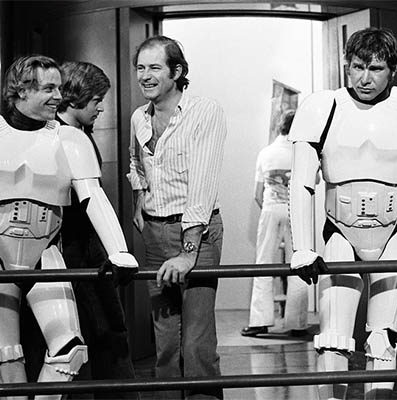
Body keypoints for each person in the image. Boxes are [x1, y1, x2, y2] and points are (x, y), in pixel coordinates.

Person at [0, 54, 138, 400]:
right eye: (49, 88)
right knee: (4, 352)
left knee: (70, 348)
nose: (59, 96)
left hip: (46, 250)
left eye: (59, 87)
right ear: (21, 91)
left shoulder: (70, 140)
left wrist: (119, 251)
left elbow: (94, 197)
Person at [287, 27, 397, 400]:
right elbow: (301, 181)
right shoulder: (323, 107)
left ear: (392, 70)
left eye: (376, 68)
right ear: (347, 66)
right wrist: (302, 247)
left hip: (395, 230)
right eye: (358, 67)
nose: (365, 78)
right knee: (333, 340)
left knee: (383, 338)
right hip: (339, 230)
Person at [127, 35, 227, 400]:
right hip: (155, 232)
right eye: (141, 68)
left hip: (197, 233)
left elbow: (202, 185)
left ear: (177, 71)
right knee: (165, 340)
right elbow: (136, 162)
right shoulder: (139, 117)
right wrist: (140, 200)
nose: (145, 76)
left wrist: (188, 252)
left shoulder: (205, 111)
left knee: (197, 341)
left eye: (155, 68)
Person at [56, 60, 138, 398]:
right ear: (75, 97)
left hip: (88, 248)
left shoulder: (79, 135)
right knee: (101, 335)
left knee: (106, 334)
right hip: (76, 249)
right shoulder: (65, 137)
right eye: (95, 100)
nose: (100, 108)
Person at [241, 109, 309, 337]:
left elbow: (257, 194)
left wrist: (272, 207)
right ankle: (297, 323)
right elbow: (315, 181)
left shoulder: (266, 153)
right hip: (295, 211)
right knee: (300, 263)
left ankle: (259, 321)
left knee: (263, 263)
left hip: (270, 209)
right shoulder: (301, 154)